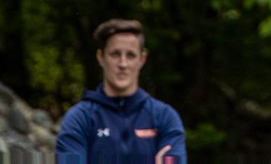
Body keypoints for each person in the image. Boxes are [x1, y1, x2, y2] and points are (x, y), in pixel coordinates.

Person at [56, 19, 187, 163]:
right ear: (101, 57)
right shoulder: (79, 119)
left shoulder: (165, 118)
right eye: (115, 54)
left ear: (142, 60)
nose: (123, 64)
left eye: (130, 55)